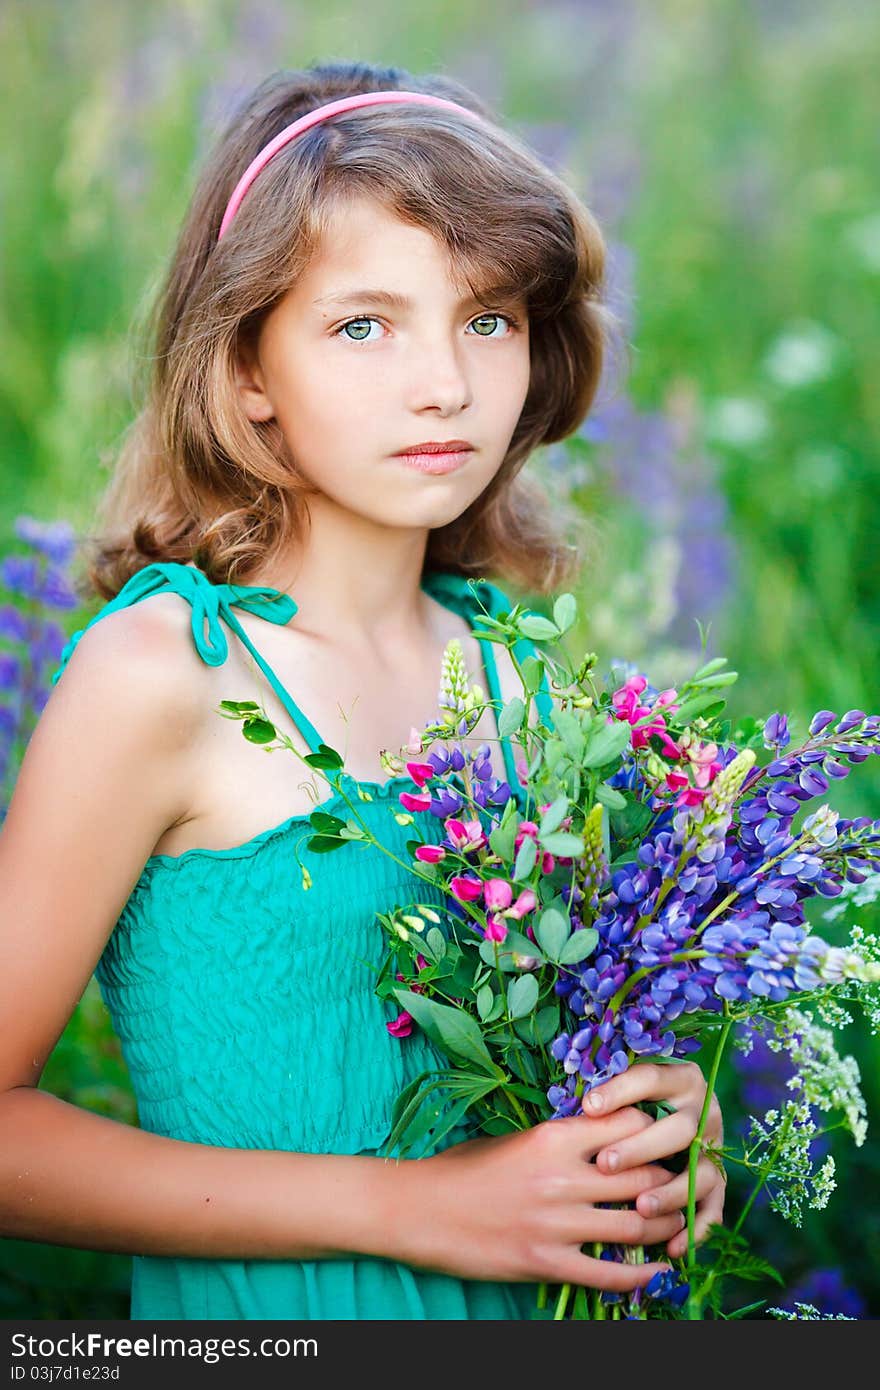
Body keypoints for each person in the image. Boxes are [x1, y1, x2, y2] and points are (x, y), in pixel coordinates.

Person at [0, 62, 724, 1321]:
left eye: (487, 318)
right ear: (244, 374)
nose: (444, 382)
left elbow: (556, 1043)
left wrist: (657, 1117)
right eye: (362, 325)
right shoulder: (165, 672)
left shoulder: (516, 669)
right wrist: (417, 1209)